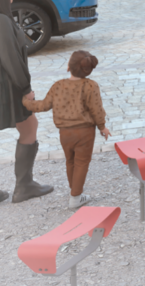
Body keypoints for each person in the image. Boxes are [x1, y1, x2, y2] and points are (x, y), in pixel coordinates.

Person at [23, 51, 110, 209]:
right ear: (88, 70)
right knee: (82, 163)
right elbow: (96, 109)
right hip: (85, 132)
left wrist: (26, 102)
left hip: (65, 133)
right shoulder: (90, 86)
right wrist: (102, 127)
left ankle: (74, 192)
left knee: (70, 161)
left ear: (69, 67)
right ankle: (75, 197)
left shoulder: (58, 85)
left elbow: (43, 105)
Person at [0, 0, 54, 204]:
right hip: (7, 88)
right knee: (29, 126)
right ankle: (24, 186)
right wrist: (26, 89)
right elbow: (11, 59)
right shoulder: (2, 21)